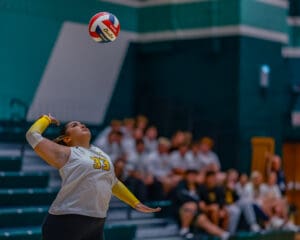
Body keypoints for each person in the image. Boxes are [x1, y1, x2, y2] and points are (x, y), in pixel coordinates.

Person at [25, 114, 160, 240]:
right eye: (74, 125)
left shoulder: (100, 152)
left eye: (81, 123)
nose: (81, 124)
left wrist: (135, 203)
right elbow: (32, 135)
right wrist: (46, 119)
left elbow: (112, 182)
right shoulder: (66, 153)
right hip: (66, 220)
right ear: (67, 139)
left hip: (96, 222)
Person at [173, 169, 230, 240]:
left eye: (194, 176)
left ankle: (224, 234)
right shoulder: (181, 185)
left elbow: (206, 200)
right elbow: (181, 198)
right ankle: (184, 230)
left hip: (196, 213)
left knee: (203, 220)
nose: (192, 178)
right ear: (186, 176)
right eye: (190, 176)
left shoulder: (199, 187)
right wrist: (197, 202)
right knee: (191, 205)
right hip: (182, 212)